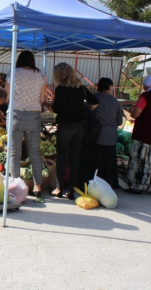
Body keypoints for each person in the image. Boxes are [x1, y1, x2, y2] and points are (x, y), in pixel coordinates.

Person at [45, 63, 99, 200]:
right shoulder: (81, 88)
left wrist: (46, 105)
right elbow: (95, 101)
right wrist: (86, 112)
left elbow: (56, 109)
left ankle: (59, 188)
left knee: (62, 158)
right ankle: (71, 190)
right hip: (80, 126)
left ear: (58, 75)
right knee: (74, 158)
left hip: (65, 126)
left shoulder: (61, 89)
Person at [5, 51, 46, 202]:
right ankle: (38, 187)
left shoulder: (13, 73)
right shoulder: (40, 75)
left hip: (16, 115)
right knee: (34, 152)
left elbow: (7, 97)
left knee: (14, 152)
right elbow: (42, 99)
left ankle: (16, 186)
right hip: (34, 116)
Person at [80, 78, 122, 188]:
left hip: (95, 136)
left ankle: (91, 183)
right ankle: (109, 184)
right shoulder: (115, 102)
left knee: (93, 161)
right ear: (110, 87)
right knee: (109, 162)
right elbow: (119, 121)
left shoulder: (93, 99)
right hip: (111, 137)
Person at [124, 75, 151, 196]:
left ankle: (136, 186)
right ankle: (150, 186)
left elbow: (136, 113)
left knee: (139, 159)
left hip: (143, 134)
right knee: (150, 161)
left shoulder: (146, 96)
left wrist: (132, 112)